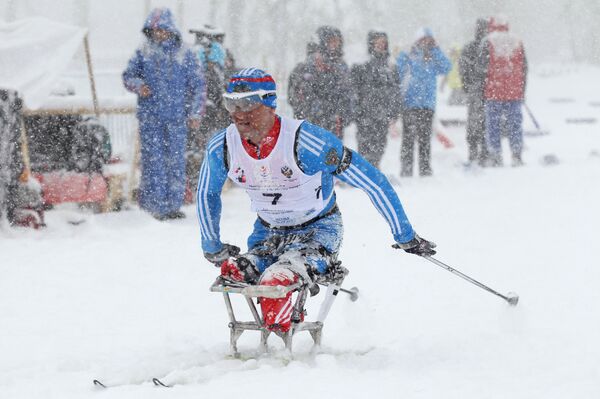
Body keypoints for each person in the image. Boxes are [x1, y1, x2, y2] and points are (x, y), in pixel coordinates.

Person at [197, 68, 436, 333]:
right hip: (267, 233)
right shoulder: (223, 146)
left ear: (270, 103)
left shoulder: (307, 142)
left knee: (278, 282)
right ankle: (269, 320)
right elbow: (206, 193)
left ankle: (282, 344)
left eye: (247, 104)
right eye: (230, 103)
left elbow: (374, 181)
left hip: (318, 230)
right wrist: (211, 245)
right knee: (233, 271)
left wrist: (404, 234)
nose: (238, 114)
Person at [123, 8, 206, 220]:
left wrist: (195, 113)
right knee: (153, 162)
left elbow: (198, 85)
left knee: (176, 162)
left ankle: (173, 205)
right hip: (150, 118)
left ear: (170, 29)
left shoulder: (185, 54)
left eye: (161, 29)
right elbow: (128, 76)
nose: (158, 33)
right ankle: (154, 206)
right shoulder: (143, 52)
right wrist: (138, 84)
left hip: (177, 119)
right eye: (154, 30)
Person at [396, 28, 451, 177]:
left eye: (429, 40)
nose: (426, 43)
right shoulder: (408, 55)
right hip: (409, 104)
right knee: (408, 139)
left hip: (427, 105)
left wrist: (436, 50)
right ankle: (406, 170)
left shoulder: (433, 57)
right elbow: (398, 71)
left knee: (425, 139)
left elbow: (447, 67)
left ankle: (425, 169)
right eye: (424, 39)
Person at [477, 16, 528, 167]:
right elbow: (525, 68)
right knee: (515, 124)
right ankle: (516, 155)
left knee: (493, 125)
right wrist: (522, 90)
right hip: (514, 92)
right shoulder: (517, 41)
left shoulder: (487, 41)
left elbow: (481, 69)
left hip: (493, 91)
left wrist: (482, 91)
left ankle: (496, 155)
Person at [187, 24, 230, 193]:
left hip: (205, 110)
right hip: (209, 111)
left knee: (201, 146)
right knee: (207, 147)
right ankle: (204, 182)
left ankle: (200, 182)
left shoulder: (200, 58)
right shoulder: (213, 63)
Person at [350, 30, 402, 169]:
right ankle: (364, 172)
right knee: (364, 146)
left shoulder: (391, 66)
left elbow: (396, 91)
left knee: (380, 146)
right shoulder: (361, 65)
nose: (380, 45)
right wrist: (356, 110)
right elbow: (353, 90)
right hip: (365, 115)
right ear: (371, 44)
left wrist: (395, 111)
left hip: (383, 115)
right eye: (377, 42)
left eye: (383, 43)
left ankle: (374, 170)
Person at [299, 26, 353, 138]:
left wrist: (344, 114)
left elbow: (347, 90)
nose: (334, 44)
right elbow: (307, 89)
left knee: (334, 152)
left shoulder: (341, 64)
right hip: (317, 118)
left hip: (336, 119)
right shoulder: (314, 62)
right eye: (331, 41)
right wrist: (318, 109)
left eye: (337, 41)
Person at [459, 19, 489, 166]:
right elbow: (463, 68)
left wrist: (467, 85)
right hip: (485, 90)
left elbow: (463, 69)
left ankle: (475, 152)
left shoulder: (470, 47)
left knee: (475, 122)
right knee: (482, 122)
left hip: (478, 90)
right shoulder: (487, 47)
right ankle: (481, 152)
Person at [287, 41, 319, 120]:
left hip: (303, 113)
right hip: (307, 113)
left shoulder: (298, 69)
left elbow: (290, 93)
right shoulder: (320, 70)